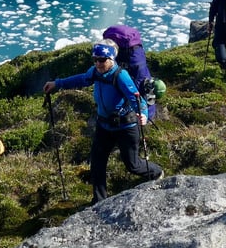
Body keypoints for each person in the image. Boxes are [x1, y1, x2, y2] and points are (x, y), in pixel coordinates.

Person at [43, 40, 164, 204]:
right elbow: (80, 79)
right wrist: (57, 84)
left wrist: (142, 114)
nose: (98, 63)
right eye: (95, 59)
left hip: (125, 127)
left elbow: (137, 99)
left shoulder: (121, 76)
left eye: (102, 59)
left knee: (133, 165)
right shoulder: (95, 72)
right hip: (104, 125)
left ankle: (156, 172)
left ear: (111, 58)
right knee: (97, 162)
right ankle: (99, 201)